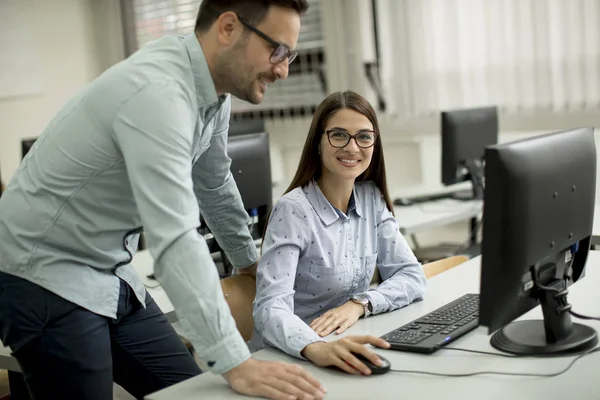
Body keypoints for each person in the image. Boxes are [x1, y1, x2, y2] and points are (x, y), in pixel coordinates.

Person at [0, 1, 327, 399]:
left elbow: (213, 183)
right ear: (227, 28)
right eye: (277, 51)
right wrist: (235, 362)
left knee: (189, 390)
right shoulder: (159, 92)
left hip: (111, 269)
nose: (283, 69)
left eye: (290, 55)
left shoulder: (212, 92)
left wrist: (251, 264)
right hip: (44, 273)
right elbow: (174, 238)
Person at [250, 90, 427, 375]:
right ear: (318, 143)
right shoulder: (294, 209)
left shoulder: (371, 197)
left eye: (364, 137)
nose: (352, 148)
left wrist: (360, 304)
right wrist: (315, 346)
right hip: (292, 356)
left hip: (345, 342)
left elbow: (412, 275)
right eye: (339, 135)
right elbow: (270, 307)